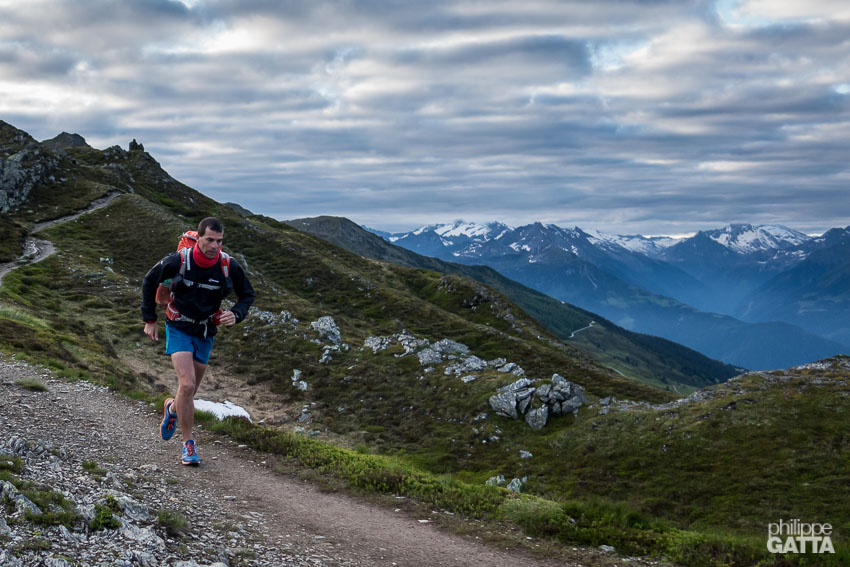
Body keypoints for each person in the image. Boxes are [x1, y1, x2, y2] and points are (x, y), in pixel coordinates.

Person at [141, 217, 255, 465]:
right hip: (178, 326)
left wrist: (236, 314)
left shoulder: (227, 265)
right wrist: (150, 319)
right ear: (198, 238)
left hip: (206, 332)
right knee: (188, 384)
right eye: (210, 240)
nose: (215, 246)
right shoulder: (179, 260)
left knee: (188, 391)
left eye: (220, 241)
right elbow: (150, 280)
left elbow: (248, 294)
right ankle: (188, 445)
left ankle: (172, 409)